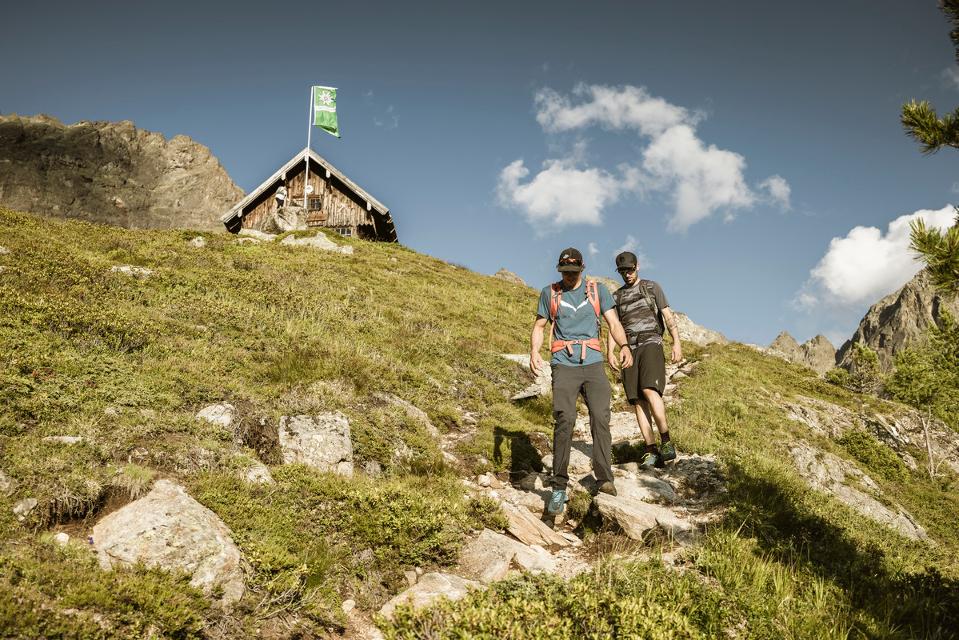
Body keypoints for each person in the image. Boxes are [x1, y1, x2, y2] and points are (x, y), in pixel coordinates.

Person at [530, 248, 633, 516]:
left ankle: (604, 479)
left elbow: (613, 322)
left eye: (573, 273)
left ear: (582, 270)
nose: (568, 277)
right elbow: (540, 326)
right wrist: (533, 352)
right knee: (564, 419)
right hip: (563, 364)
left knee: (600, 417)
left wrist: (623, 345)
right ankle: (559, 485)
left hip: (593, 363)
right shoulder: (549, 293)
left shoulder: (598, 291)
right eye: (564, 273)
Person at [606, 251, 682, 469]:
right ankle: (650, 450)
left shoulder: (651, 287)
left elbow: (668, 315)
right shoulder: (617, 297)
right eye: (622, 271)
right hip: (629, 348)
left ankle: (666, 441)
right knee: (636, 399)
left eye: (629, 269)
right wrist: (610, 351)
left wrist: (676, 342)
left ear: (637, 266)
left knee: (649, 390)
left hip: (651, 342)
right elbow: (614, 327)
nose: (627, 274)